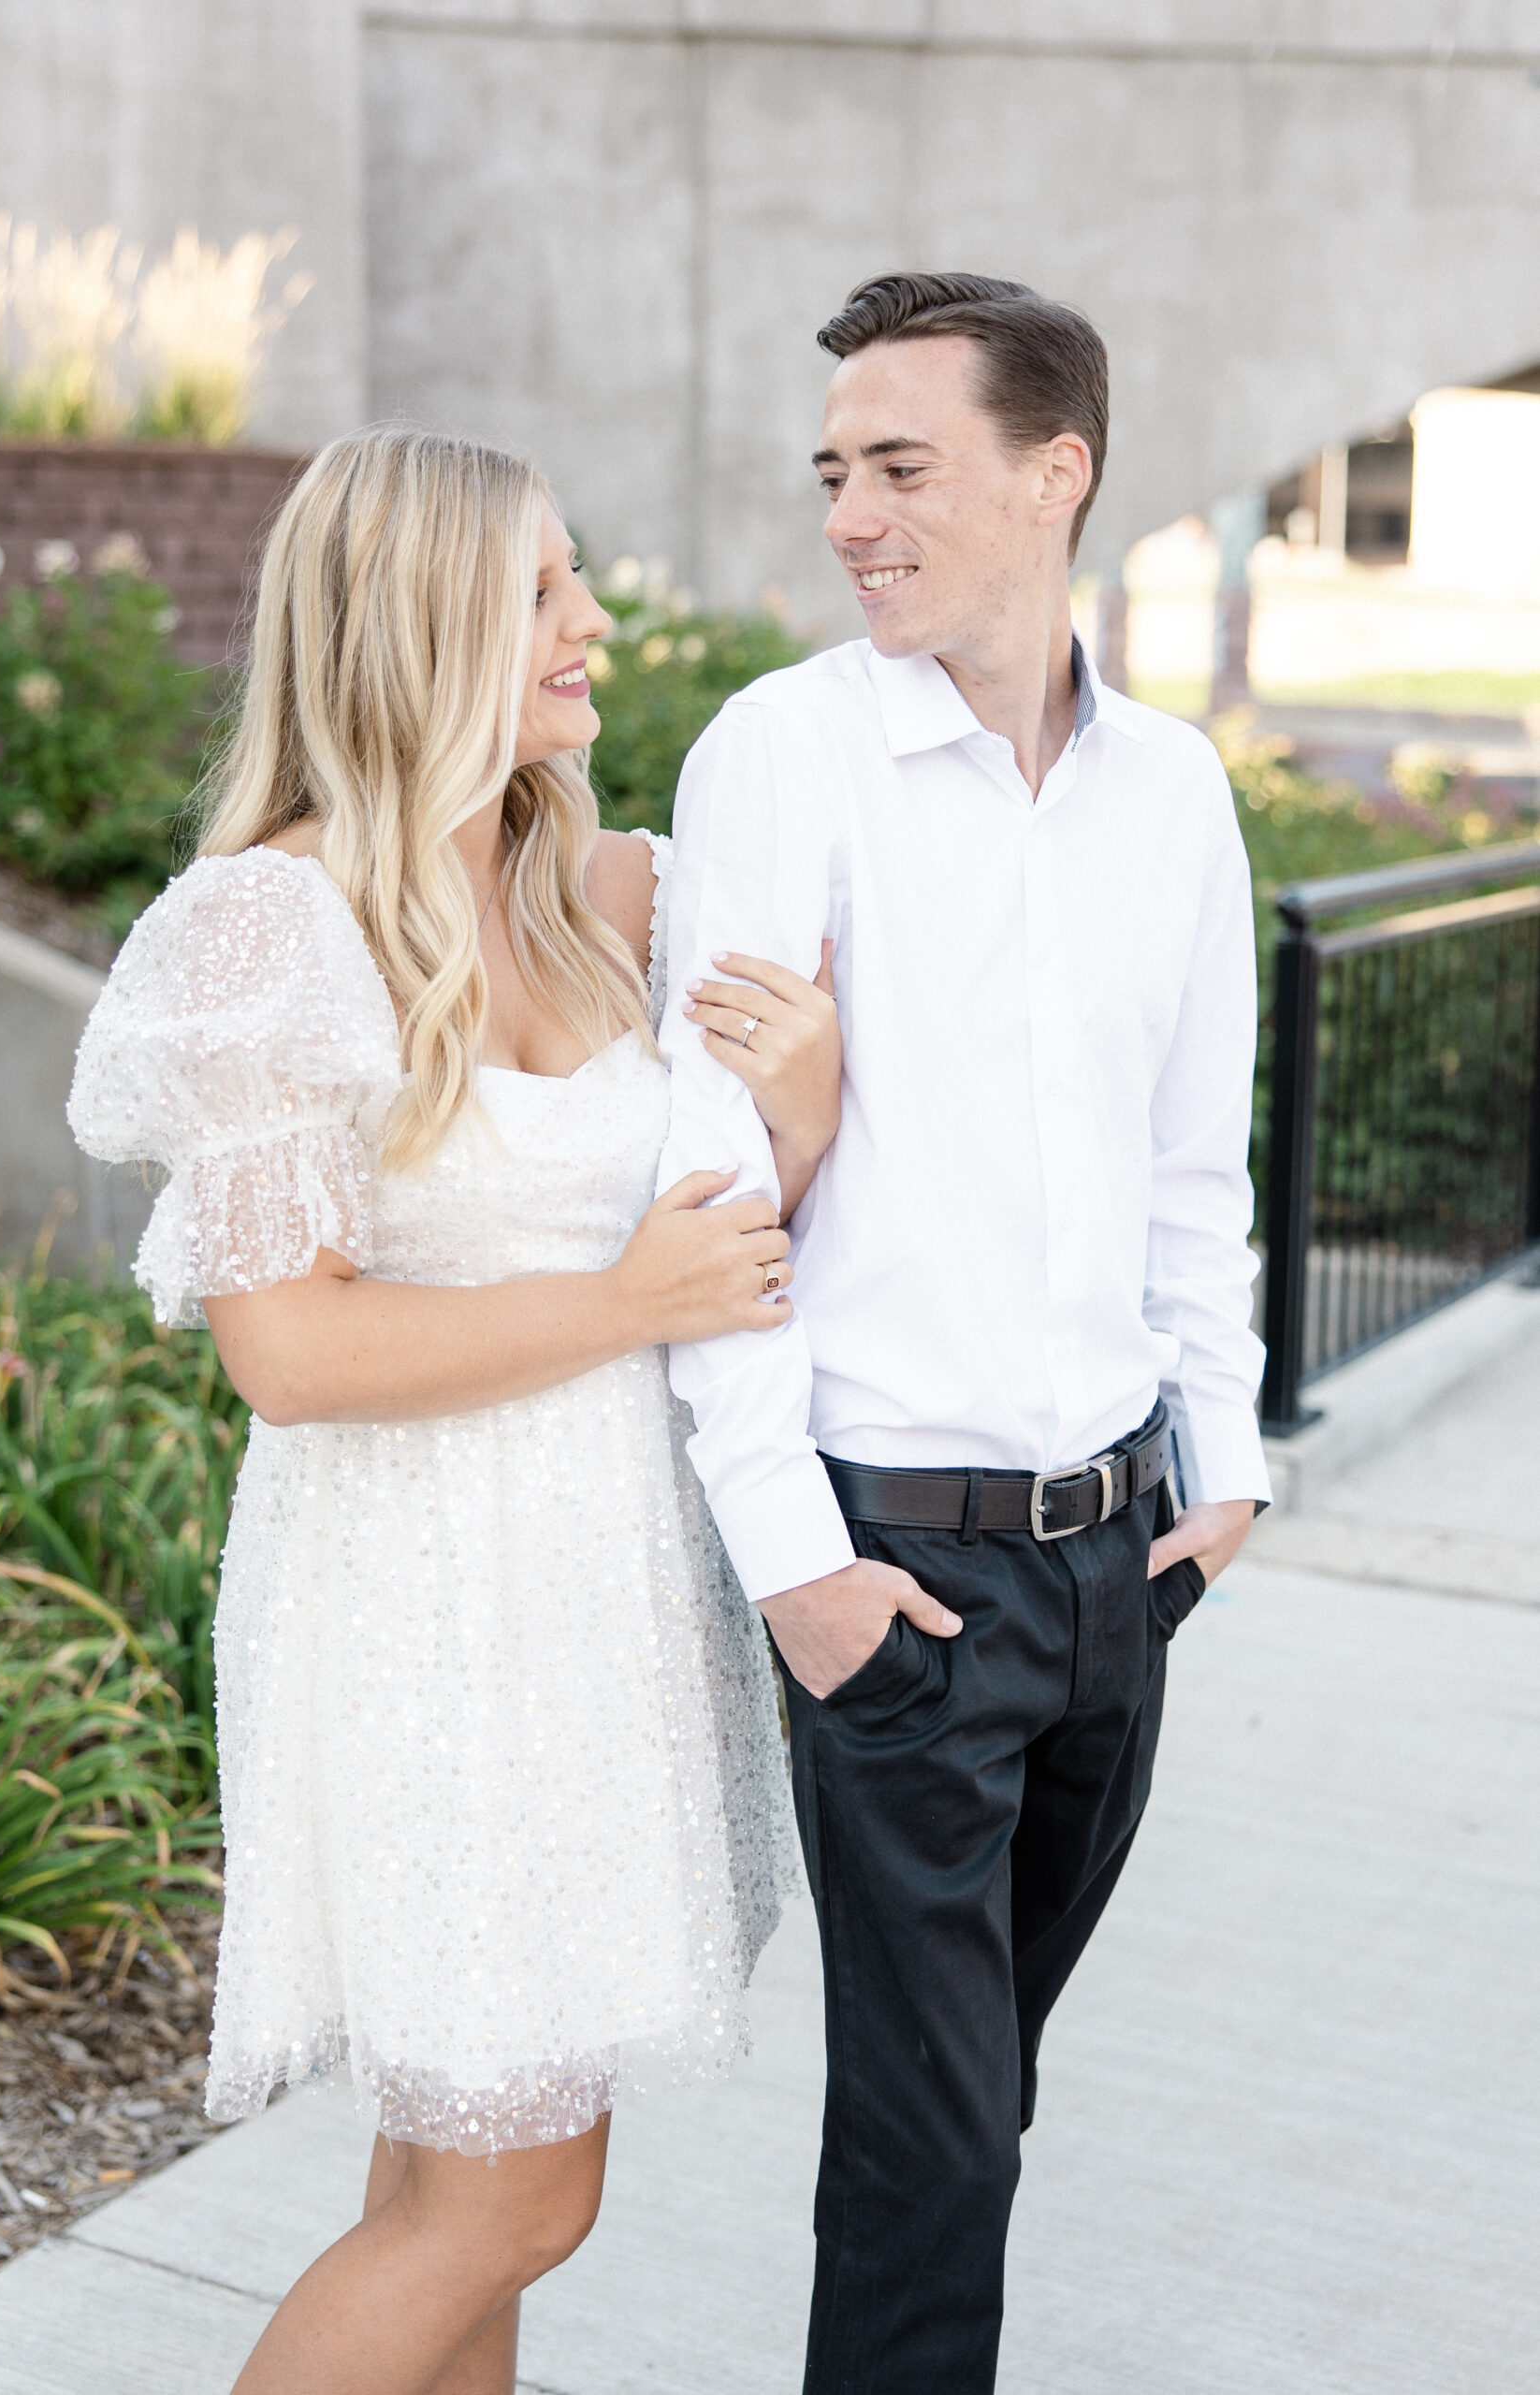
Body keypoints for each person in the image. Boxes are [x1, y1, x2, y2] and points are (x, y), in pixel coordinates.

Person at [67, 427, 844, 2395]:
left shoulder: (600, 889)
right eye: (542, 590)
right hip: (421, 1604)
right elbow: (290, 1350)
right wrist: (612, 1302)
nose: (593, 621)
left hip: (594, 1597)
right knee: (508, 2199)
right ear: (415, 625)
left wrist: (806, 1123)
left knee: (462, 2189)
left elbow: (724, 1256)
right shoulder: (271, 926)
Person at [659, 273, 1271, 2392]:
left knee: (974, 2110)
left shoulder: (1173, 790)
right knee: (928, 2152)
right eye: (833, 470)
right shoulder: (779, 759)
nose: (850, 513)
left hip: (1122, 1568)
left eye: (899, 466)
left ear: (1053, 473)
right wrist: (797, 1572)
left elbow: (1197, 1162)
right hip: (894, 1568)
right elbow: (706, 1183)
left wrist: (1231, 1462)